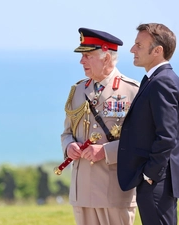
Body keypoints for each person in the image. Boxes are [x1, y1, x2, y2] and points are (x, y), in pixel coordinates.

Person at [61, 27, 139, 225]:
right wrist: (69, 146)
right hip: (82, 192)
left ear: (106, 57)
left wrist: (104, 152)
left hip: (114, 193)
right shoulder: (78, 90)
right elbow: (67, 133)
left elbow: (140, 142)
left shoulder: (132, 91)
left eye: (87, 56)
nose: (81, 61)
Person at [117, 23, 179, 225]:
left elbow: (167, 136)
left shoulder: (162, 82)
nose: (132, 49)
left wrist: (150, 174)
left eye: (139, 45)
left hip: (157, 182)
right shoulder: (154, 79)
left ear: (158, 51)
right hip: (157, 181)